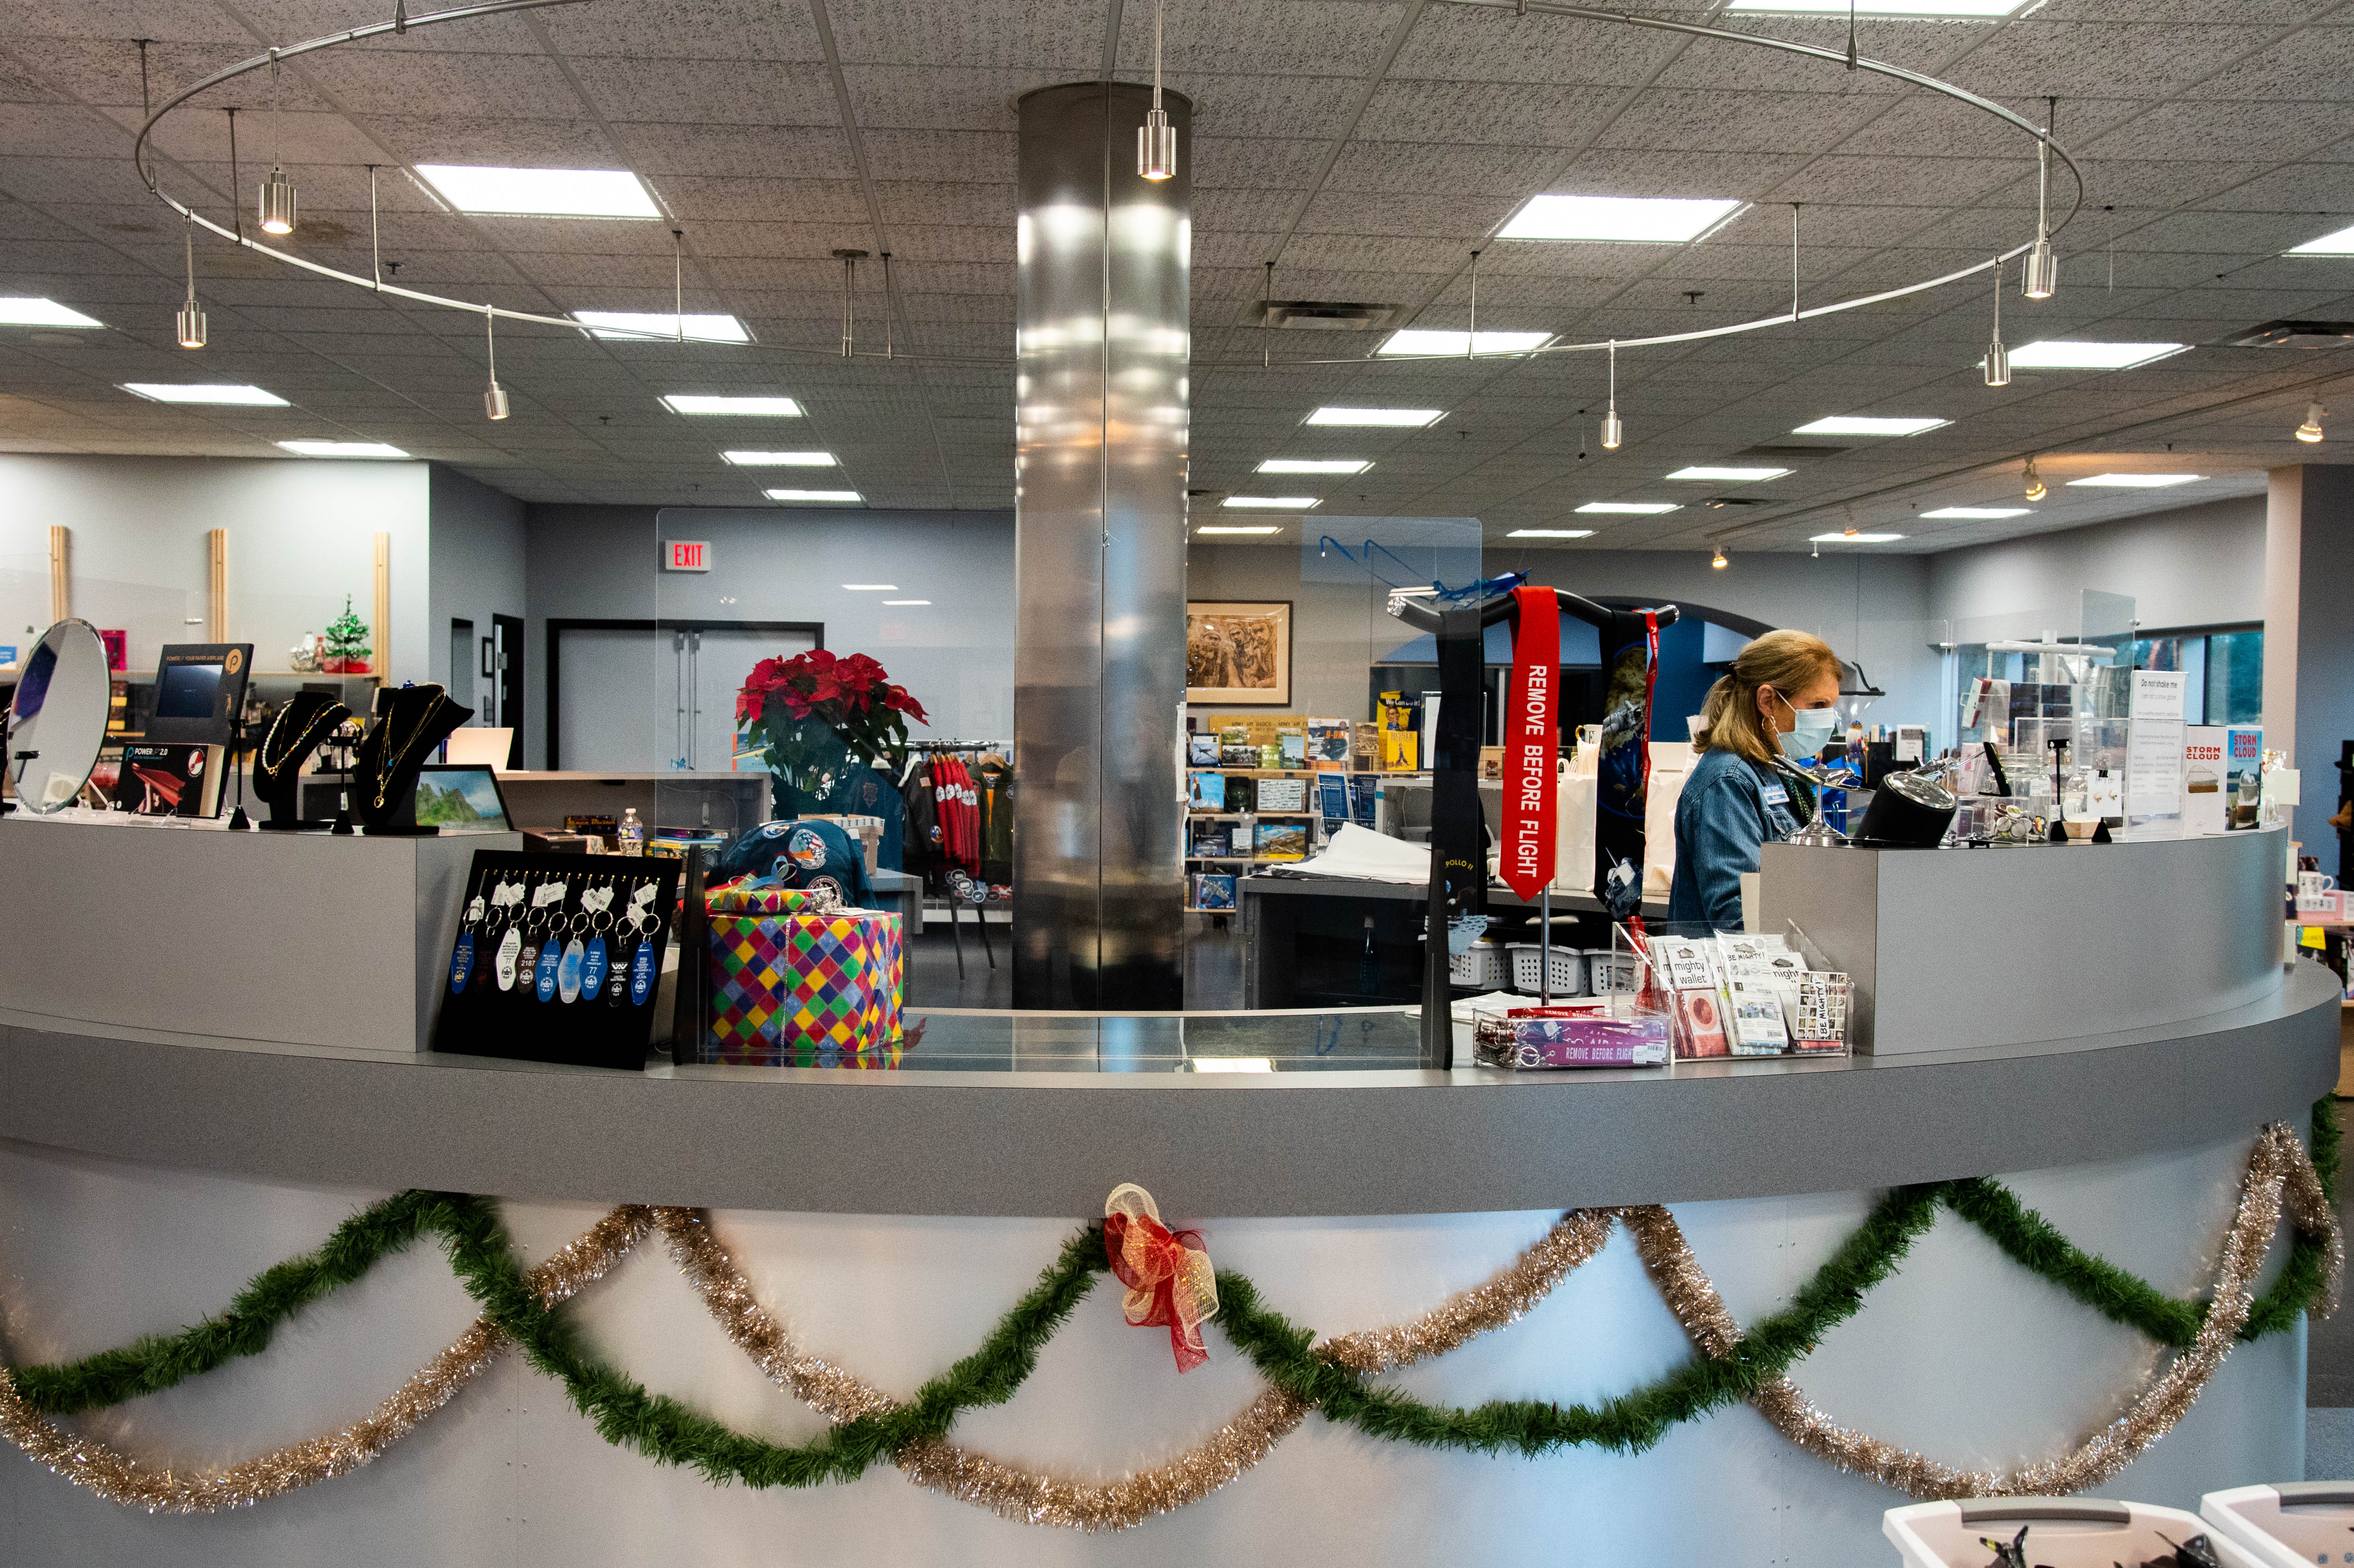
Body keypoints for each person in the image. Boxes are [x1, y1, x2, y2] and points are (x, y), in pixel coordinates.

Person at [1667, 629, 1844, 929]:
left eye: (1831, 706)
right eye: (1818, 705)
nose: (1829, 719)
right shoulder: (1728, 781)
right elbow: (1737, 915)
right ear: (1767, 701)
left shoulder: (1774, 770)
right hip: (1733, 971)